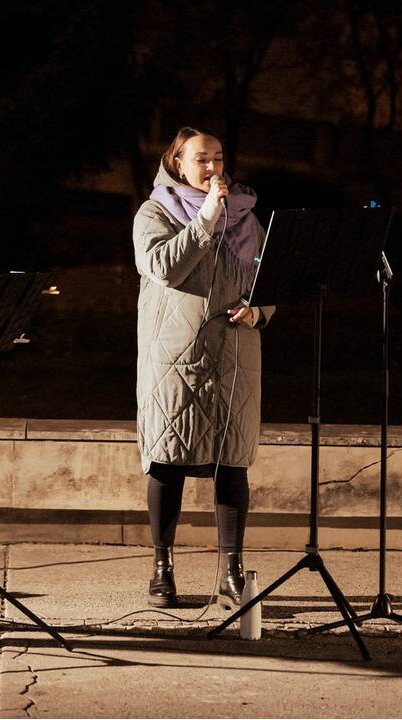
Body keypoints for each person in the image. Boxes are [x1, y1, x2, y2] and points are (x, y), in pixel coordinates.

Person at [132, 126, 274, 610]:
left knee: (232, 462)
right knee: (168, 459)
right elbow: (164, 268)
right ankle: (161, 570)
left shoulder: (247, 217)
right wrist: (207, 218)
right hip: (175, 356)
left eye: (217, 157)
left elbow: (266, 279)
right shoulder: (154, 212)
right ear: (177, 164)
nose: (212, 168)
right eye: (200, 159)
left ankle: (231, 573)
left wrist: (260, 312)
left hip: (235, 354)